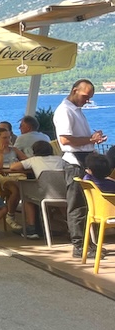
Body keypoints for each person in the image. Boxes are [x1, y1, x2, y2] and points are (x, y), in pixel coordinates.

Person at [54, 79, 108, 258]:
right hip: (74, 162)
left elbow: (76, 139)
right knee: (77, 205)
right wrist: (90, 140)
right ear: (75, 90)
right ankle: (79, 246)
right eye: (85, 96)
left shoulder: (75, 111)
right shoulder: (65, 111)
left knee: (85, 205)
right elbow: (65, 140)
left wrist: (92, 138)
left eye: (89, 98)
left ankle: (87, 244)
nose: (87, 101)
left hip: (83, 160)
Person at [4, 140, 66, 238]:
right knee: (61, 200)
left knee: (27, 196)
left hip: (44, 194)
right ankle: (70, 226)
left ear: (34, 151)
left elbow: (13, 167)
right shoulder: (60, 160)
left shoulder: (34, 160)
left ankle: (31, 228)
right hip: (63, 193)